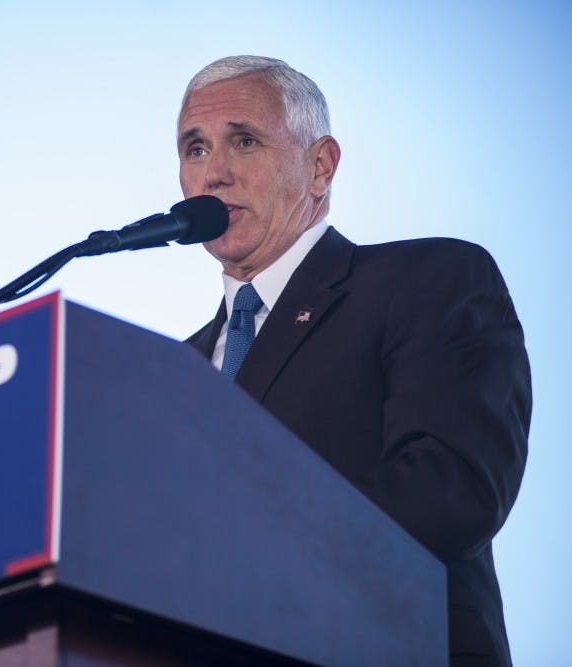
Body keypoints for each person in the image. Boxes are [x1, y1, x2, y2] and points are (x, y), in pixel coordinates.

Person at [179, 56, 531, 667]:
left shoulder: (426, 281)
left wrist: (232, 554)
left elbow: (450, 493)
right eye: (194, 148)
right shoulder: (171, 371)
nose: (215, 172)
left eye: (244, 141)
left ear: (320, 166)